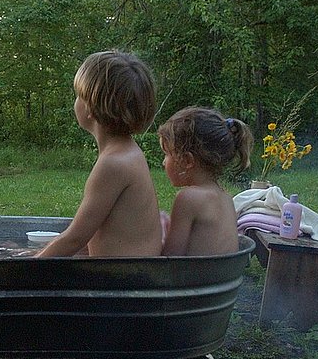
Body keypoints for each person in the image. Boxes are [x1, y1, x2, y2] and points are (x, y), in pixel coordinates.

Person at [36, 50, 162, 257]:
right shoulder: (128, 152)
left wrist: (23, 269)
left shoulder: (113, 164)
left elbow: (75, 238)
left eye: (79, 95)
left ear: (90, 108)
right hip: (134, 273)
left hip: (121, 282)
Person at [157, 107, 253, 256]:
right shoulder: (227, 199)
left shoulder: (187, 199)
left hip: (197, 279)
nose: (164, 162)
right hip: (229, 278)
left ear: (187, 160)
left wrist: (159, 234)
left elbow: (170, 259)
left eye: (167, 154)